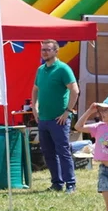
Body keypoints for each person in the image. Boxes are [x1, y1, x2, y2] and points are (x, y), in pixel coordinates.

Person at [32, 39, 80, 192]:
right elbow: (35, 89)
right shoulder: (40, 70)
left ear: (55, 51)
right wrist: (35, 107)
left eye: (47, 49)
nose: (44, 52)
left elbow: (75, 90)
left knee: (63, 152)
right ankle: (57, 183)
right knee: (48, 153)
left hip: (59, 119)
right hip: (44, 119)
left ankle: (70, 184)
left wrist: (67, 111)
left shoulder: (63, 69)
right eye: (42, 50)